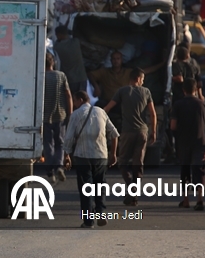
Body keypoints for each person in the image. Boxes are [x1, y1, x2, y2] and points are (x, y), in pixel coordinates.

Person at [63, 90, 118, 228]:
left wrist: (67, 155)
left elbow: (69, 137)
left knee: (86, 189)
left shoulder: (76, 115)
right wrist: (113, 154)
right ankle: (100, 211)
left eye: (75, 101)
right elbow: (114, 134)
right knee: (100, 186)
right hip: (101, 155)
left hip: (82, 156)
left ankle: (88, 221)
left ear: (80, 100)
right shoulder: (101, 112)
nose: (74, 105)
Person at [104, 68, 156, 204]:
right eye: (143, 79)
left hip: (127, 132)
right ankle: (134, 193)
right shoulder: (146, 92)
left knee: (122, 162)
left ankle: (130, 188)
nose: (143, 82)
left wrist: (100, 122)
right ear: (138, 79)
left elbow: (107, 108)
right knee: (138, 164)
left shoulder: (122, 91)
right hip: (142, 132)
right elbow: (153, 114)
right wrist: (154, 131)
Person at [169, 79, 205, 210]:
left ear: (184, 90)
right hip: (200, 142)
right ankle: (199, 199)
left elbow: (173, 125)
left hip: (183, 143)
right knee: (199, 170)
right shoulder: (203, 105)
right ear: (195, 90)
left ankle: (186, 200)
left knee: (185, 170)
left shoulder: (178, 105)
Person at [43, 52, 73, 183]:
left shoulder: (40, 77)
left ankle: (50, 171)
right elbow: (68, 95)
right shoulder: (61, 76)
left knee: (48, 144)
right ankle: (59, 166)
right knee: (60, 143)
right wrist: (70, 113)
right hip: (60, 115)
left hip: (44, 116)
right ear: (53, 62)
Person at [53, 25, 87, 95]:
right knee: (82, 99)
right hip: (82, 78)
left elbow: (56, 42)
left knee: (72, 100)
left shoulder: (58, 47)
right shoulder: (76, 42)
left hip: (70, 80)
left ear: (59, 35)